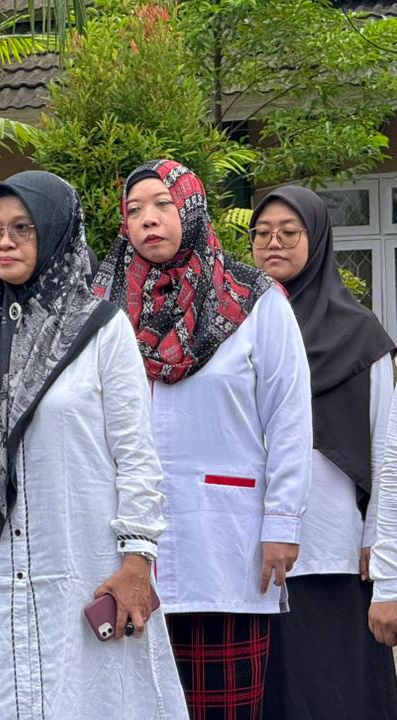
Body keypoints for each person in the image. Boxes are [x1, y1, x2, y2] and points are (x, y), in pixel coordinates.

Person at [0, 170, 187, 719]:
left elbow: (136, 452)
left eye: (23, 228)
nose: (5, 242)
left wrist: (138, 557)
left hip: (82, 561)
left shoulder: (101, 328)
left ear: (57, 232)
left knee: (88, 699)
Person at [93, 159, 312, 720]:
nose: (148, 219)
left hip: (227, 542)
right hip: (124, 547)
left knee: (223, 705)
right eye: (134, 209)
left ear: (191, 208)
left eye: (163, 204)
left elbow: (289, 418)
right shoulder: (100, 308)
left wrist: (283, 524)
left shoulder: (256, 299)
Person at [250, 186, 397, 719]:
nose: (273, 243)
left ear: (317, 240)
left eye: (289, 233)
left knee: (334, 697)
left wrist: (379, 544)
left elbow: (386, 449)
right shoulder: (239, 328)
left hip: (333, 555)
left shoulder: (360, 335)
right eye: (262, 233)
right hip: (251, 557)